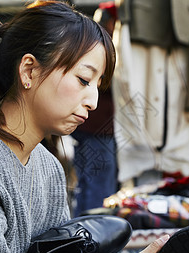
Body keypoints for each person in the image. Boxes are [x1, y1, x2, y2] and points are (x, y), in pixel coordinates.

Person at [0, 1, 189, 253]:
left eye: (98, 85)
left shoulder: (47, 167)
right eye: (84, 80)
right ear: (29, 70)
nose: (93, 101)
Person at [71, 1, 118, 217]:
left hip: (89, 124)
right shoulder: (104, 47)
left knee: (87, 181)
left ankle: (82, 230)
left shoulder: (92, 44)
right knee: (97, 184)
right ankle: (92, 233)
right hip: (98, 127)